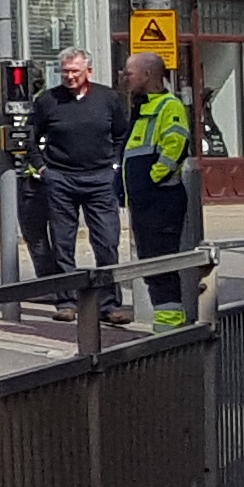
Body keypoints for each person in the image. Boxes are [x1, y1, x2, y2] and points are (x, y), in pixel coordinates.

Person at [17, 47, 132, 314]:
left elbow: (120, 134)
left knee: (106, 242)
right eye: (65, 72)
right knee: (63, 243)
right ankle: (66, 301)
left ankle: (109, 303)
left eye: (75, 72)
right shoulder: (48, 101)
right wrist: (43, 169)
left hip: (100, 179)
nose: (69, 77)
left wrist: (114, 163)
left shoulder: (108, 98)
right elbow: (30, 137)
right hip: (60, 179)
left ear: (88, 71)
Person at [120, 50, 205, 327]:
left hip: (161, 199)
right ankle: (167, 319)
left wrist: (152, 178)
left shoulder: (168, 106)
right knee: (150, 262)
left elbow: (176, 144)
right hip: (146, 201)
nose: (125, 78)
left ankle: (171, 322)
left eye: (129, 73)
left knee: (161, 263)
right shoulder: (143, 106)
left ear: (147, 75)